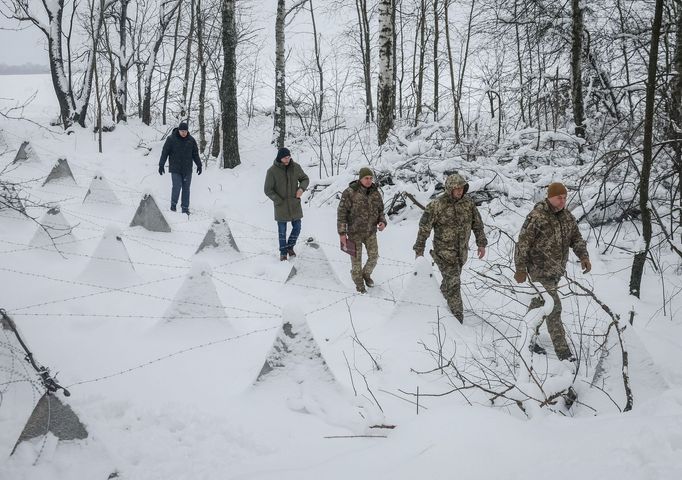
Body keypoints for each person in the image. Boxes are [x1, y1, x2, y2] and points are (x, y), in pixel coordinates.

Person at [514, 182, 591, 361]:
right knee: (554, 308)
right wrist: (520, 268)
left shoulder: (567, 217)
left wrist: (584, 256)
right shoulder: (537, 216)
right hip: (538, 271)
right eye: (559, 197)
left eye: (565, 197)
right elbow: (523, 243)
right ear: (550, 197)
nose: (563, 201)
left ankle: (528, 337)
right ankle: (564, 355)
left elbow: (576, 238)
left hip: (556, 270)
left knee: (539, 304)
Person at [413, 173, 487, 323]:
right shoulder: (436, 205)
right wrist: (419, 250)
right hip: (444, 253)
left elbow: (477, 224)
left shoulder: (468, 203)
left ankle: (437, 303)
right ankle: (457, 320)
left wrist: (481, 243)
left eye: (462, 188)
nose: (459, 191)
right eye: (456, 188)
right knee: (454, 284)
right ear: (449, 188)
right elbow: (424, 228)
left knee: (449, 283)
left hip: (461, 253)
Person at [337, 167, 387, 293]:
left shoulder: (376, 192)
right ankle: (359, 284)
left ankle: (366, 274)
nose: (369, 181)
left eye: (371, 178)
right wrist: (342, 234)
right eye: (366, 178)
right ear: (360, 179)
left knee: (374, 257)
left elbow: (381, 210)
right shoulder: (349, 192)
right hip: (354, 233)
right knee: (356, 262)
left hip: (371, 232)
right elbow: (341, 213)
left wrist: (382, 221)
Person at [264, 147, 310, 261]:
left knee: (297, 227)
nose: (288, 159)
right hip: (281, 206)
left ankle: (290, 246)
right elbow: (268, 190)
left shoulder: (296, 167)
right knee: (282, 231)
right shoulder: (272, 171)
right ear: (280, 158)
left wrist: (301, 189)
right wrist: (278, 200)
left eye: (289, 157)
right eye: (285, 157)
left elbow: (305, 179)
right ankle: (283, 252)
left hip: (294, 204)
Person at [158, 121, 202, 214]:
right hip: (175, 168)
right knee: (177, 187)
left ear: (187, 131)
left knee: (186, 188)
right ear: (178, 130)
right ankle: (173, 206)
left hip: (187, 169)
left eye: (185, 131)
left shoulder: (191, 140)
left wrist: (199, 165)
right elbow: (165, 152)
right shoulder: (171, 139)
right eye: (182, 131)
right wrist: (161, 164)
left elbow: (195, 154)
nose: (183, 133)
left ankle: (185, 208)